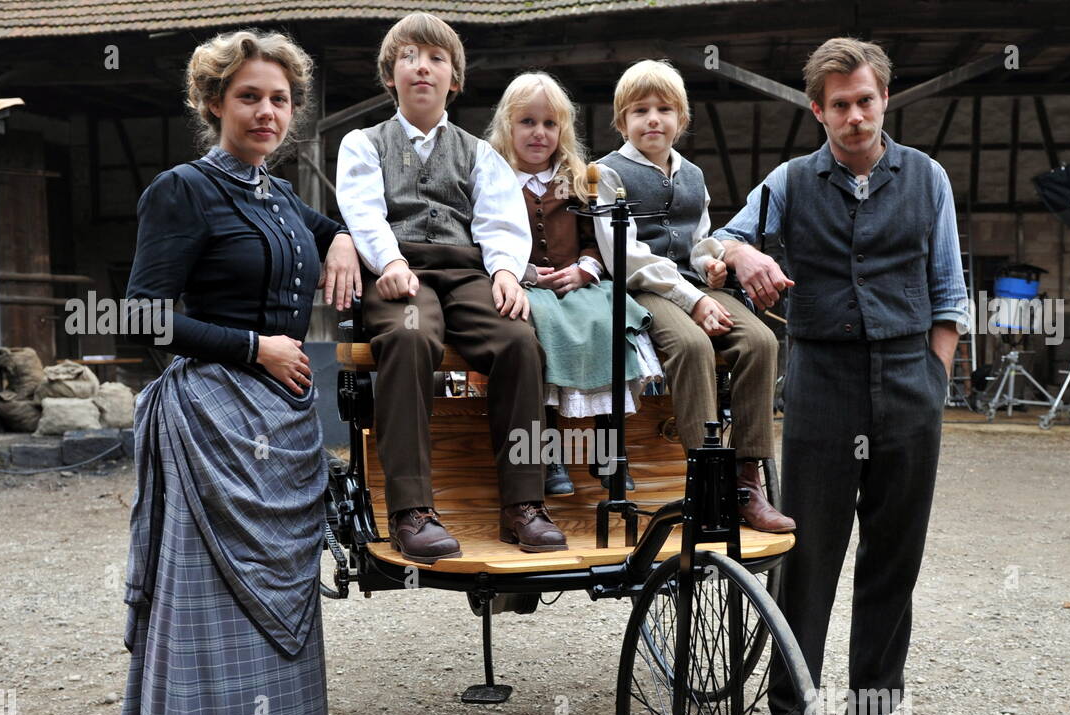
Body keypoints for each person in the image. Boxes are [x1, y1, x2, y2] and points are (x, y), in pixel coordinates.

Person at [86, 29, 361, 715]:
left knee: (281, 639)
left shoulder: (278, 198)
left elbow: (329, 225)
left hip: (282, 431)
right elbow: (140, 316)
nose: (267, 112)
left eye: (280, 99)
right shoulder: (184, 191)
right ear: (214, 104)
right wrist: (252, 347)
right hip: (209, 423)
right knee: (212, 637)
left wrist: (344, 239)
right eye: (250, 97)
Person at [716, 37, 969, 715]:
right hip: (823, 378)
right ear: (817, 111)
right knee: (810, 549)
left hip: (908, 376)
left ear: (883, 99)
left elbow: (949, 291)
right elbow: (716, 241)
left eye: (865, 101)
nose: (854, 117)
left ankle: (873, 703)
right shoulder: (792, 182)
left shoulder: (927, 178)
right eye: (839, 106)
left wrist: (934, 377)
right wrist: (745, 253)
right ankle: (792, 704)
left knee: (895, 551)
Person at [335, 13, 567, 562]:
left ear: (454, 81)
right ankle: (411, 511)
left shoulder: (478, 153)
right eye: (409, 56)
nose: (423, 67)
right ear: (390, 75)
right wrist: (387, 260)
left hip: (467, 273)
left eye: (437, 58)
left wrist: (507, 270)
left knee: (517, 344)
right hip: (401, 274)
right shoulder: (363, 144)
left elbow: (498, 220)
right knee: (412, 338)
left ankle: (523, 506)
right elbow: (363, 211)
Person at [593, 59, 794, 534]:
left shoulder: (694, 176)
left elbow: (699, 238)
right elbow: (627, 257)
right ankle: (705, 480)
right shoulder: (606, 173)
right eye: (640, 110)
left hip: (692, 283)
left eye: (664, 109)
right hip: (643, 289)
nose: (653, 119)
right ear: (623, 120)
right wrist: (693, 298)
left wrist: (711, 264)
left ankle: (747, 479)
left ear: (681, 121)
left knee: (762, 342)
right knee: (691, 345)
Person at [485, 71, 661, 496]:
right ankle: (548, 459)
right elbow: (484, 237)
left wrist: (585, 268)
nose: (539, 133)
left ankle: (609, 452)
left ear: (563, 128)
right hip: (525, 287)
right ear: (508, 125)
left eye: (550, 123)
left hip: (579, 285)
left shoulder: (580, 179)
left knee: (608, 319)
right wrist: (522, 272)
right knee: (537, 332)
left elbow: (598, 241)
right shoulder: (492, 178)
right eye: (528, 122)